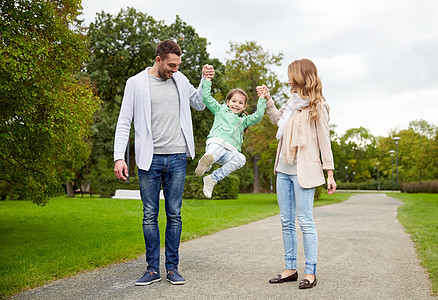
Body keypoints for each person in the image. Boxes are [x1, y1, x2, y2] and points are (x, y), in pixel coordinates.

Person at [113, 40, 214, 286]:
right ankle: (151, 269)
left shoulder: (180, 79)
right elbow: (124, 120)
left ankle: (172, 268)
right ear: (158, 60)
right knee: (149, 215)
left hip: (178, 156)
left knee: (175, 215)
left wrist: (206, 80)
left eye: (178, 65)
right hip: (150, 159)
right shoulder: (135, 83)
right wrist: (119, 157)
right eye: (171, 65)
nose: (175, 70)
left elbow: (199, 104)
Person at [257, 58, 337, 289]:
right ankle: (290, 268)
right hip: (283, 168)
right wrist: (269, 100)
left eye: (291, 74)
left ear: (301, 76)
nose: (288, 79)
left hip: (305, 170)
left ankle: (310, 271)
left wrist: (329, 172)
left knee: (305, 221)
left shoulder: (318, 106)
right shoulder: (292, 103)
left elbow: (325, 141)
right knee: (285, 222)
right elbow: (275, 120)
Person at [194, 70, 267, 198]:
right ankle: (206, 162)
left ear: (244, 107)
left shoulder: (243, 121)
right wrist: (207, 80)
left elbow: (258, 116)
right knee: (214, 151)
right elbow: (206, 97)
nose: (236, 105)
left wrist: (262, 98)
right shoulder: (219, 110)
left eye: (240, 103)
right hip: (216, 143)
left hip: (230, 151)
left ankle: (212, 178)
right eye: (234, 101)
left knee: (241, 158)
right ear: (228, 102)